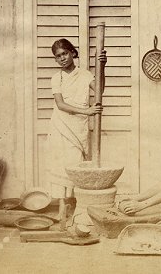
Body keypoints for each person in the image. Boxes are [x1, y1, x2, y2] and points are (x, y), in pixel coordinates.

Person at [45, 38, 107, 220]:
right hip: (60, 125)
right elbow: (60, 104)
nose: (62, 58)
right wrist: (87, 111)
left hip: (78, 126)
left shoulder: (85, 74)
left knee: (75, 164)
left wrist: (102, 67)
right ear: (56, 60)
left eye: (64, 53)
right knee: (61, 164)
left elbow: (99, 90)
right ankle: (62, 209)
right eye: (58, 56)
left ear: (72, 52)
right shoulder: (56, 78)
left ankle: (76, 208)